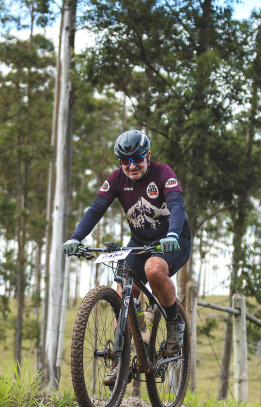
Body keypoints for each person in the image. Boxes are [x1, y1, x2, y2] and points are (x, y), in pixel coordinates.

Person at [63, 129, 191, 359]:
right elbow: (95, 210)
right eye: (125, 161)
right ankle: (122, 353)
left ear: (148, 156)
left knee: (153, 269)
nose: (131, 166)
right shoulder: (116, 179)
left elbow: (176, 205)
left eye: (137, 160)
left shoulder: (164, 173)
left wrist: (172, 234)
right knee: (124, 288)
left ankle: (175, 323)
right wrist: (76, 237)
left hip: (173, 240)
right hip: (140, 242)